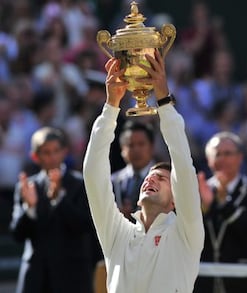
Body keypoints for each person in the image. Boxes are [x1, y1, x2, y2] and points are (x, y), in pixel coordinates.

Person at [83, 50, 204, 292]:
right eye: (149, 177)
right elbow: (92, 173)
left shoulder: (186, 232)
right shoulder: (117, 234)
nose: (150, 179)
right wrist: (111, 106)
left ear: (174, 202)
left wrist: (163, 100)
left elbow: (182, 163)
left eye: (161, 178)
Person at [10, 126, 96, 293]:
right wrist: (30, 208)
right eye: (46, 152)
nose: (52, 157)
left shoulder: (80, 184)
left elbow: (85, 226)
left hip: (73, 277)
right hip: (36, 277)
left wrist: (59, 199)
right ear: (35, 156)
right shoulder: (27, 187)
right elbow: (17, 234)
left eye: (56, 151)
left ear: (65, 152)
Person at [194, 131, 247, 293]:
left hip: (241, 282)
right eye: (217, 154)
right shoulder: (197, 192)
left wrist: (224, 203)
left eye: (228, 153)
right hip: (204, 281)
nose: (222, 159)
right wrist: (205, 207)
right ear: (209, 160)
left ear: (240, 158)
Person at [111, 120, 156, 222]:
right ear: (122, 149)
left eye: (141, 144)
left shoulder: (164, 179)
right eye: (130, 145)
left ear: (152, 147)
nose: (136, 150)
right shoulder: (113, 181)